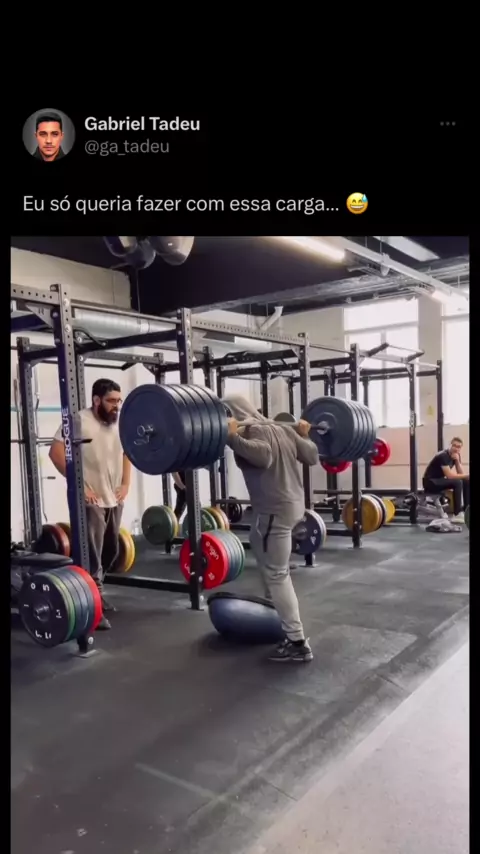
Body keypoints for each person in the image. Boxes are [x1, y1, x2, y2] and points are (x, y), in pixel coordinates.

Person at [222, 395, 319, 663]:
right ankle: (274, 612)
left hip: (275, 512)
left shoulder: (253, 430)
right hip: (294, 507)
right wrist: (304, 435)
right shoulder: (280, 427)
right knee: (258, 540)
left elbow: (263, 456)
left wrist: (232, 437)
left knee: (277, 573)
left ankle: (296, 641)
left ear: (232, 413)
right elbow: (312, 455)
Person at [49, 379, 131, 630]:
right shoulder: (78, 420)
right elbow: (55, 453)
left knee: (111, 551)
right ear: (96, 400)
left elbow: (127, 452)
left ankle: (95, 592)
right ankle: (92, 604)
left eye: (119, 400)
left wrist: (126, 483)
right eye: (111, 401)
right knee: (90, 554)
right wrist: (79, 487)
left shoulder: (120, 422)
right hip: (90, 498)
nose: (116, 405)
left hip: (113, 497)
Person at [422, 437, 469, 522]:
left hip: (439, 480)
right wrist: (466, 475)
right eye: (454, 446)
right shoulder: (443, 456)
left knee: (466, 481)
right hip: (430, 482)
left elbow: (460, 473)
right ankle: (457, 514)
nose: (456, 448)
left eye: (458, 447)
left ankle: (467, 510)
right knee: (458, 482)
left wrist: (457, 461)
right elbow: (449, 476)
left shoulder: (456, 455)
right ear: (450, 445)